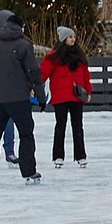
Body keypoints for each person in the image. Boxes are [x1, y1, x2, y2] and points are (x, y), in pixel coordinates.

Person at [0, 9, 45, 185]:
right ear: (19, 27)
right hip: (18, 99)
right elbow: (33, 72)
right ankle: (29, 172)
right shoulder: (23, 46)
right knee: (26, 134)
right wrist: (41, 96)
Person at [42, 26, 93, 169]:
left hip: (76, 96)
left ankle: (81, 155)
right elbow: (43, 73)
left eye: (74, 37)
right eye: (70, 37)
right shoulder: (54, 56)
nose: (73, 39)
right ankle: (58, 156)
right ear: (64, 39)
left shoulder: (79, 56)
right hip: (60, 96)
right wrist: (34, 87)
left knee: (78, 126)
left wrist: (88, 91)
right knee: (60, 126)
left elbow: (85, 76)